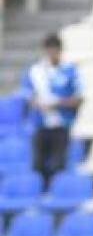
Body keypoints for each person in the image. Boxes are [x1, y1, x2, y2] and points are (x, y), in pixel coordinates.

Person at [19, 33, 81, 184]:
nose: (52, 54)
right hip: (40, 125)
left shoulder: (70, 71)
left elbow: (77, 99)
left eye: (55, 51)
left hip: (61, 125)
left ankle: (57, 196)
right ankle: (40, 198)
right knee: (38, 165)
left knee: (59, 166)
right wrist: (39, 104)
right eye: (49, 50)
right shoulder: (35, 72)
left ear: (60, 51)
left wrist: (57, 103)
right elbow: (27, 97)